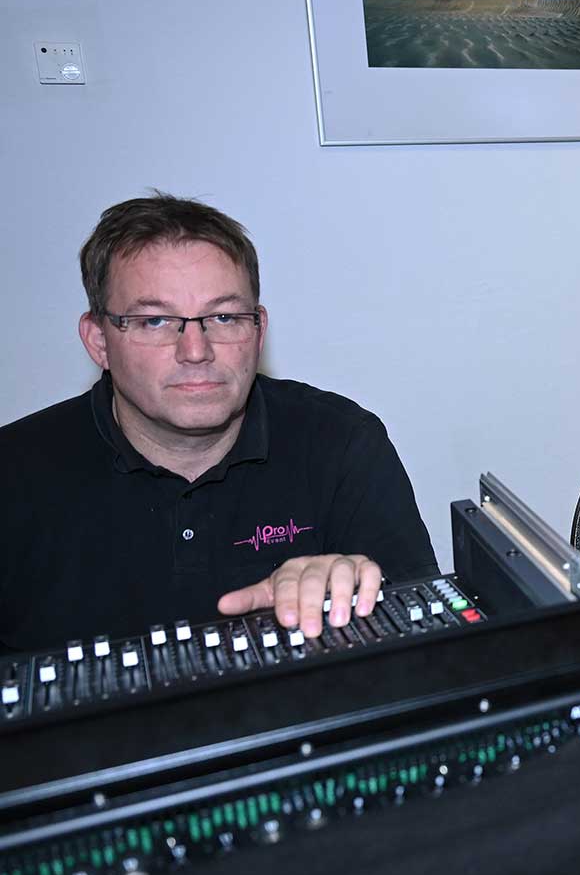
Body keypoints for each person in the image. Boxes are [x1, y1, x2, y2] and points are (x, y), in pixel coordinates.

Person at [0, 193, 437, 654]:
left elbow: (433, 651)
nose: (196, 351)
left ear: (258, 330)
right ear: (99, 341)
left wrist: (361, 599)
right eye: (155, 321)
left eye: (224, 317)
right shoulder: (13, 474)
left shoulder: (341, 442)